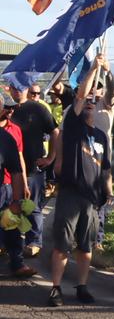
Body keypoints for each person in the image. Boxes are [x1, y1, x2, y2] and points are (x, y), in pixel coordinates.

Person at [48, 83, 114, 306]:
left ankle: (82, 286)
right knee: (62, 244)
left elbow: (105, 170)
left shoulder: (102, 136)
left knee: (85, 246)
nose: (89, 103)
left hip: (92, 199)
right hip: (70, 194)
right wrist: (95, 67)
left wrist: (110, 194)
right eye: (86, 99)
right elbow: (79, 97)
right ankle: (56, 288)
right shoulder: (73, 128)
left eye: (93, 101)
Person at [8, 82, 58, 258]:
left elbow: (55, 132)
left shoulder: (38, 109)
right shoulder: (8, 108)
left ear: (27, 89)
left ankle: (34, 241)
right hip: (9, 169)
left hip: (33, 168)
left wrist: (51, 157)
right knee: (10, 206)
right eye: (14, 88)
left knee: (33, 206)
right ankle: (8, 242)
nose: (17, 91)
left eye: (20, 87)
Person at [0, 93, 35, 278]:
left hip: (4, 189)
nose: (10, 110)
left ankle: (17, 263)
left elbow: (16, 168)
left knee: (11, 226)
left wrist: (17, 198)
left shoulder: (6, 138)